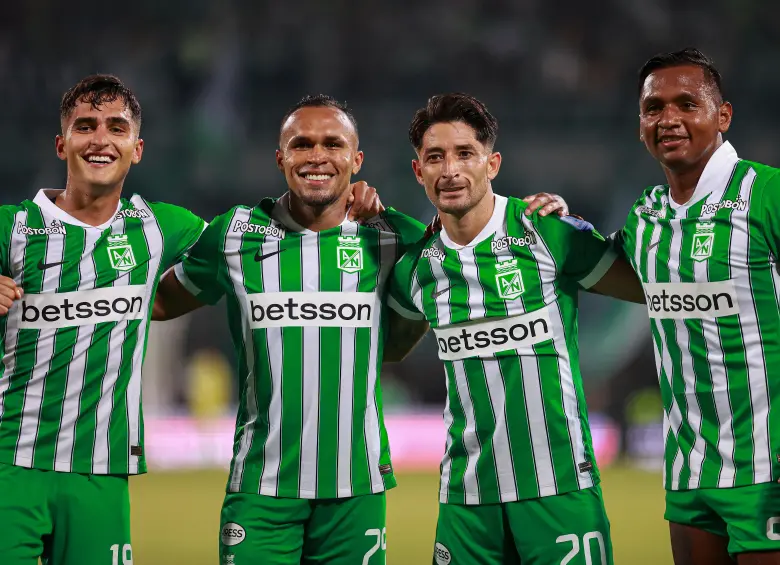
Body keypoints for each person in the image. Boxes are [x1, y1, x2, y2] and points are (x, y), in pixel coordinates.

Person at [151, 94, 567, 564]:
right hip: (261, 488)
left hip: (356, 490)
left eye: (333, 144)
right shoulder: (234, 235)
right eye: (301, 144)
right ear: (280, 157)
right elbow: (161, 301)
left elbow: (465, 240)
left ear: (356, 159)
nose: (317, 157)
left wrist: (550, 213)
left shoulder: (393, 238)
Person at [387, 93, 645, 565]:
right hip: (466, 499)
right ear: (417, 171)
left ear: (493, 163)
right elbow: (386, 348)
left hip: (558, 485)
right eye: (435, 157)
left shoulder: (546, 233)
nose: (450, 170)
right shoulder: (416, 270)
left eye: (465, 153)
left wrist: (578, 223)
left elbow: (648, 287)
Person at [0, 74, 207, 565]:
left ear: (136, 148)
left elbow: (256, 245)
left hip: (101, 470)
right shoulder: (13, 227)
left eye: (116, 127)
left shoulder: (161, 227)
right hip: (9, 464)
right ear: (61, 143)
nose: (100, 139)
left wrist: (356, 208)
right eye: (85, 125)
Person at [613, 47, 780, 565]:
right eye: (654, 107)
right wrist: (552, 217)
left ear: (722, 115)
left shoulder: (767, 194)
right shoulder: (646, 217)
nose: (669, 119)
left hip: (768, 470)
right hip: (690, 472)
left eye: (687, 104)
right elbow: (594, 266)